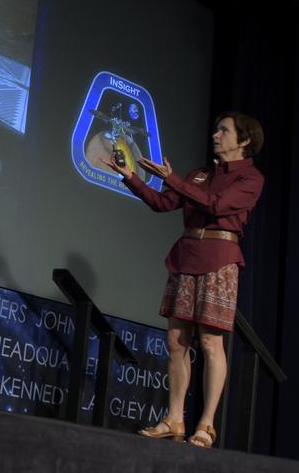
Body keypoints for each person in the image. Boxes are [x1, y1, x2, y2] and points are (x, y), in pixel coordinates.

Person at [101, 112, 264, 448]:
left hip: (220, 259)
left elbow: (217, 205)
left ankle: (206, 425)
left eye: (224, 130)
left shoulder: (250, 178)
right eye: (217, 128)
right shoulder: (200, 174)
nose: (216, 134)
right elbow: (163, 203)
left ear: (244, 140)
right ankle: (175, 417)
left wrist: (173, 178)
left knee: (210, 342)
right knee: (176, 340)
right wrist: (131, 177)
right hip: (186, 256)